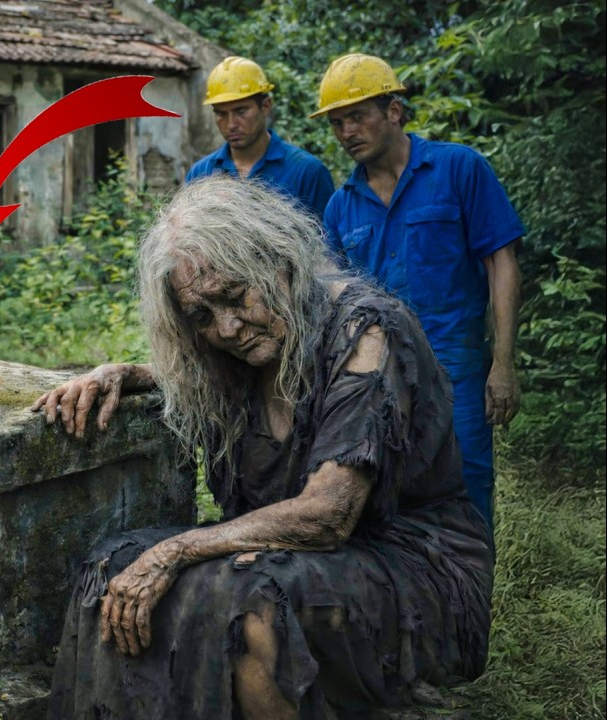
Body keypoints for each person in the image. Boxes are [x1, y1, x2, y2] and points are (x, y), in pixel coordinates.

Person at [34, 176, 492, 718]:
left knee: (247, 600)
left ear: (278, 263)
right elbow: (192, 377)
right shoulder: (240, 348)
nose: (227, 328)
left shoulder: (367, 334)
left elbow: (329, 514)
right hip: (297, 559)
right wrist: (126, 373)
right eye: (202, 316)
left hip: (414, 569)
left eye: (235, 297)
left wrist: (176, 550)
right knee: (111, 567)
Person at [312, 53, 524, 536]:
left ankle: (473, 580)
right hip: (378, 373)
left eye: (357, 116)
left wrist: (504, 363)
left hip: (455, 364)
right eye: (337, 123)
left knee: (468, 483)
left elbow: (502, 263)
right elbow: (333, 303)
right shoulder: (341, 207)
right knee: (389, 488)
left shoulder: (458, 168)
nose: (347, 132)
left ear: (394, 111)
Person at [186, 56, 334, 219]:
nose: (231, 124)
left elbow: (324, 234)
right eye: (221, 114)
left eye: (241, 111)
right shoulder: (201, 173)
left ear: (265, 107)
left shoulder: (307, 172)